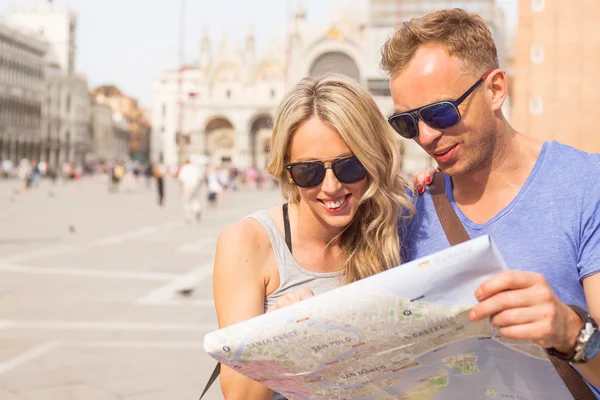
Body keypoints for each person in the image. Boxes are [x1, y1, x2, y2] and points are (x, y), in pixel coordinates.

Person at [381, 9, 600, 393]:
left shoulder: (587, 186)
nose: (427, 136)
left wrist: (571, 333)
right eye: (407, 123)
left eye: (440, 112)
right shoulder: (409, 210)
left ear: (496, 89)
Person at [212, 74, 413, 399]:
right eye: (309, 172)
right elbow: (239, 395)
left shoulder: (393, 225)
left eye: (350, 167)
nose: (331, 187)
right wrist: (279, 332)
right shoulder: (249, 242)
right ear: (286, 169)